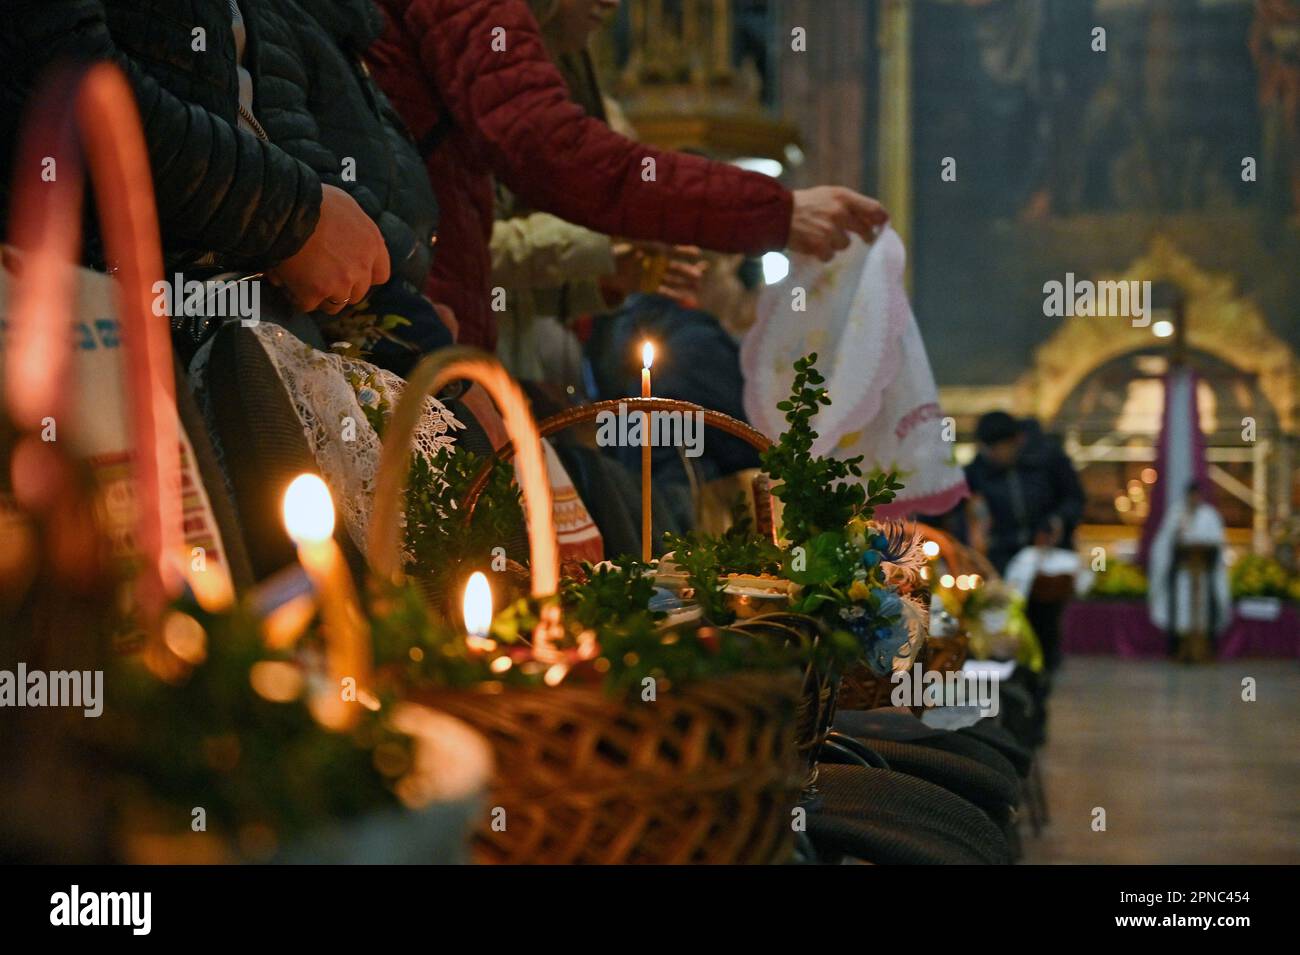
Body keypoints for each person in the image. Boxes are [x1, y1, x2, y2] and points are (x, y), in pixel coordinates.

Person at [368, 0, 889, 351]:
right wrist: (778, 212)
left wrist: (606, 274)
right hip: (409, 323)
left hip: (438, 322)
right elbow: (551, 152)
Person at [0, 0, 391, 343]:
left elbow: (262, 105)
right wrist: (290, 216)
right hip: (86, 302)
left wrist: (329, 219)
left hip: (219, 291)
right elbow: (57, 81)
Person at [965, 411, 1084, 671]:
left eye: (1000, 447)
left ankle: (1040, 682)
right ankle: (1015, 688)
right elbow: (965, 514)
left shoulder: (1048, 461)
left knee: (1044, 626)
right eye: (989, 449)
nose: (995, 455)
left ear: (1017, 440)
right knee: (1004, 629)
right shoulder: (977, 472)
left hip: (1044, 559)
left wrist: (1057, 521)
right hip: (1000, 560)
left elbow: (1074, 499)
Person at [1147, 482, 1231, 660]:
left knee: (1204, 613)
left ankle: (1205, 649)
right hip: (1182, 577)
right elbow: (1163, 544)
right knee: (1180, 612)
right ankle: (1179, 649)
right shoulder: (1176, 514)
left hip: (1203, 577)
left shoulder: (1210, 516)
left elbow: (1218, 544)